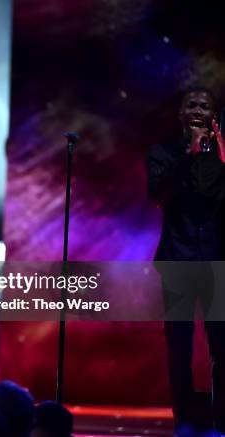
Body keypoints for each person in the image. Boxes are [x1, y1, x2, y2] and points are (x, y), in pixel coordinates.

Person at [147, 87, 225, 434]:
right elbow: (159, 195)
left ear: (214, 115)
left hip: (217, 262)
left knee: (222, 348)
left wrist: (210, 153)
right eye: (190, 105)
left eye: (204, 106)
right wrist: (189, 154)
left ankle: (220, 419)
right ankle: (185, 421)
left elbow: (211, 193)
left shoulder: (223, 157)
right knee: (178, 347)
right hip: (177, 260)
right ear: (180, 113)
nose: (197, 110)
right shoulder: (162, 151)